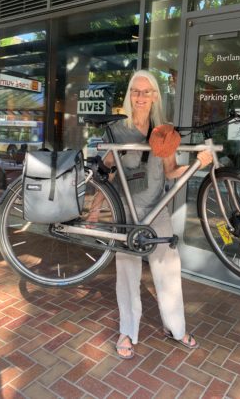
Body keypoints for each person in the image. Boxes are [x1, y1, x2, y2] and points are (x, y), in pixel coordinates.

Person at [89, 70, 213, 359]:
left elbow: (171, 171)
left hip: (158, 210)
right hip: (126, 212)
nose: (141, 97)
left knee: (168, 270)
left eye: (146, 92)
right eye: (136, 91)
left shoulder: (164, 130)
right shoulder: (118, 130)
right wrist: (95, 209)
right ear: (129, 96)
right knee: (127, 274)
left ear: (155, 95)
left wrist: (198, 163)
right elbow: (103, 174)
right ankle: (127, 332)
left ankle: (176, 328)